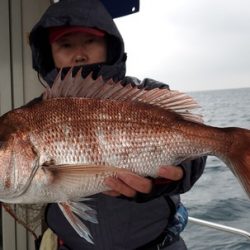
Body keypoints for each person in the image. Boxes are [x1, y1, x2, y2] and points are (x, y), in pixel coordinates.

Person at [28, 0, 206, 249]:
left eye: (90, 41)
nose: (79, 54)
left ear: (109, 45)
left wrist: (174, 176)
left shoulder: (147, 94)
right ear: (49, 53)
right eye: (65, 45)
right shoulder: (36, 114)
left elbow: (193, 141)